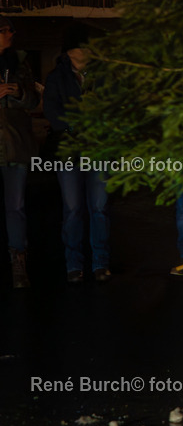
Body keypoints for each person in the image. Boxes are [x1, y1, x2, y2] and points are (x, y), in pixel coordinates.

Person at [43, 24, 112, 283]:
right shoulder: (57, 77)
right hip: (69, 151)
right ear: (70, 51)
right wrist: (74, 122)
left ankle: (101, 263)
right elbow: (51, 109)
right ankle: (74, 264)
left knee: (99, 207)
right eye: (81, 47)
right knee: (73, 208)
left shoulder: (104, 75)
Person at [0, 17, 39, 288]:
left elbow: (34, 99)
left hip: (15, 145)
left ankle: (18, 263)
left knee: (16, 207)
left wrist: (18, 92)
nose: (11, 34)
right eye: (5, 30)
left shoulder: (19, 62)